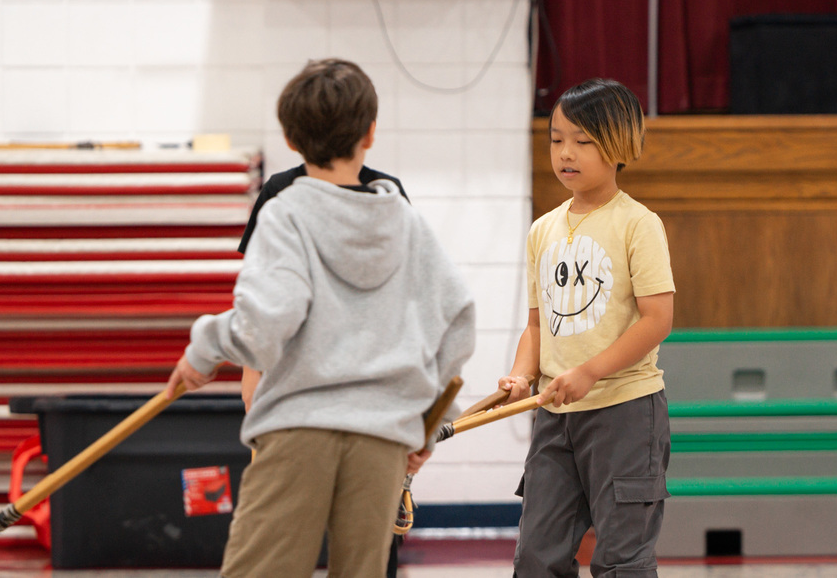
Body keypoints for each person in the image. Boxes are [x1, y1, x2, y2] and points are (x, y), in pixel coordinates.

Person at [166, 58, 475, 578]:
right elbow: (457, 322)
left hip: (300, 430)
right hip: (381, 439)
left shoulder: (284, 212)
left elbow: (268, 321)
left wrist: (204, 347)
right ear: (370, 134)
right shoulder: (406, 220)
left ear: (290, 138)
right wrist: (427, 422)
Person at [498, 78, 675, 577]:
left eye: (583, 141)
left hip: (625, 411)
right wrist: (520, 375)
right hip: (556, 415)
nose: (565, 153)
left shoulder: (638, 223)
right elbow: (537, 324)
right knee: (536, 557)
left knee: (622, 560)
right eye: (556, 140)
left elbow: (658, 319)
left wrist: (591, 372)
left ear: (617, 146)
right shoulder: (542, 229)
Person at [236, 79, 412, 578]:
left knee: (368, 554)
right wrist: (254, 381)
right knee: (274, 544)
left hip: (366, 403)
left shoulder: (387, 195)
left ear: (289, 137)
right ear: (370, 133)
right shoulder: (279, 193)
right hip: (298, 400)